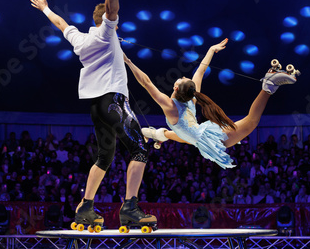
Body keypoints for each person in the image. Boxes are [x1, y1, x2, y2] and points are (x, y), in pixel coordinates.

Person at [29, 0, 155, 230]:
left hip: (96, 107)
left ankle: (85, 207)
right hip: (114, 102)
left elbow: (61, 24)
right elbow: (112, 9)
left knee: (104, 157)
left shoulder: (81, 39)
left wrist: (46, 9)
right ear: (111, 23)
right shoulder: (106, 33)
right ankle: (130, 207)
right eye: (114, 21)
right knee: (139, 150)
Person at [123, 38, 297, 169]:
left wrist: (128, 61)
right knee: (248, 122)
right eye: (185, 78)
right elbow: (201, 70)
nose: (185, 76)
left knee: (251, 122)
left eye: (184, 78)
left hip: (205, 137)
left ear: (176, 87)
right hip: (201, 137)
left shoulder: (171, 106)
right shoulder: (191, 97)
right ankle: (158, 134)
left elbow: (147, 83)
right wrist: (211, 50)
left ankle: (268, 86)